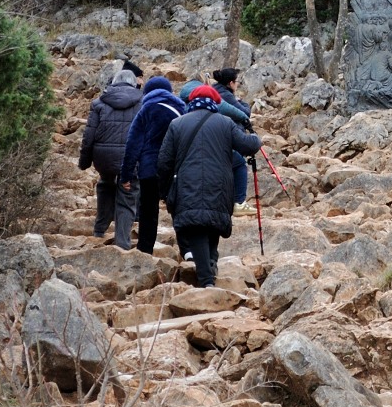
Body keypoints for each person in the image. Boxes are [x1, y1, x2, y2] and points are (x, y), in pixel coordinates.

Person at [156, 85, 262, 287]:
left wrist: (165, 190)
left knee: (196, 226)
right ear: (215, 102)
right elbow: (248, 146)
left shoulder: (177, 124)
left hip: (188, 183)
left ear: (191, 101)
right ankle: (209, 271)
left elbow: (164, 162)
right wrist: (256, 138)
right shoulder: (225, 123)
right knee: (213, 222)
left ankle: (206, 278)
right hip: (219, 184)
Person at [120, 76, 185, 254]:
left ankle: (145, 251)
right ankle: (188, 251)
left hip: (150, 169)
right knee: (179, 210)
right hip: (175, 170)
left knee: (148, 211)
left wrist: (126, 175)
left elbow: (133, 144)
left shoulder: (146, 109)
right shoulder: (181, 110)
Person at [78, 67, 143, 246]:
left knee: (105, 184)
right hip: (130, 158)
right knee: (128, 196)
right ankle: (122, 243)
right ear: (134, 84)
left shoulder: (99, 103)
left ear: (114, 83)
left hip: (104, 158)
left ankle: (99, 231)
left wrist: (84, 161)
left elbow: (89, 136)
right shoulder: (142, 102)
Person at [211, 67, 257, 216]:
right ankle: (239, 202)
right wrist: (242, 102)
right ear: (230, 83)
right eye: (237, 82)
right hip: (227, 139)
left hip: (215, 140)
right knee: (239, 163)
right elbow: (245, 113)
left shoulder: (216, 91)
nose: (238, 84)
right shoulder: (226, 95)